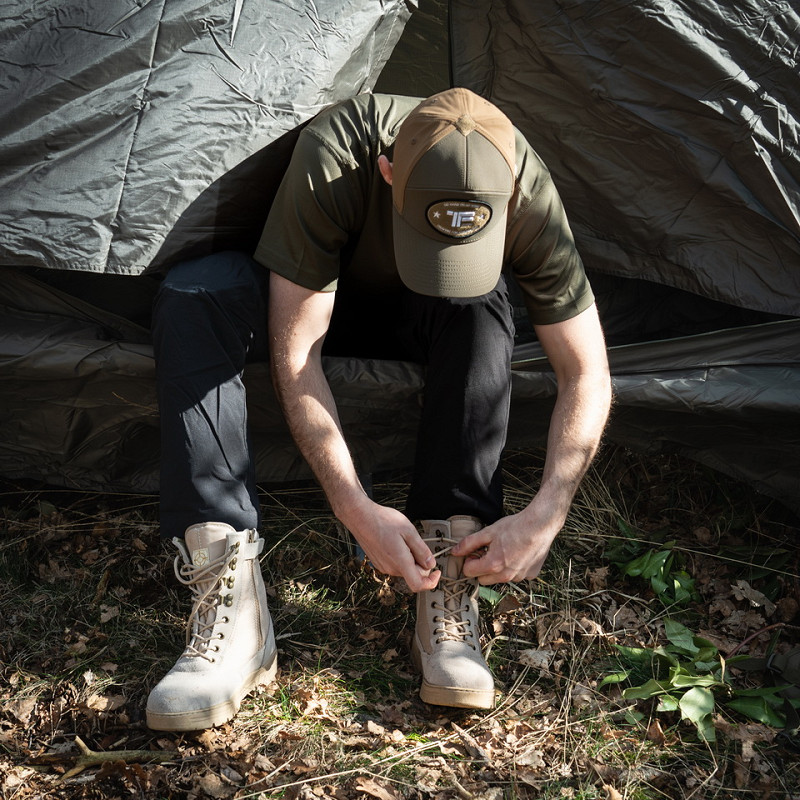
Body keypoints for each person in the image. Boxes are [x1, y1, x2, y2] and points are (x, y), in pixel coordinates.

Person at [145, 87, 611, 730]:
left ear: (508, 197)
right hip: (314, 295)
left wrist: (549, 513)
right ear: (388, 172)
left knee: (480, 306)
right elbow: (298, 353)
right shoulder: (337, 155)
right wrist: (354, 505)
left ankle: (450, 567)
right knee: (195, 295)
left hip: (424, 320)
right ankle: (230, 595)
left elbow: (586, 370)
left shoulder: (525, 180)